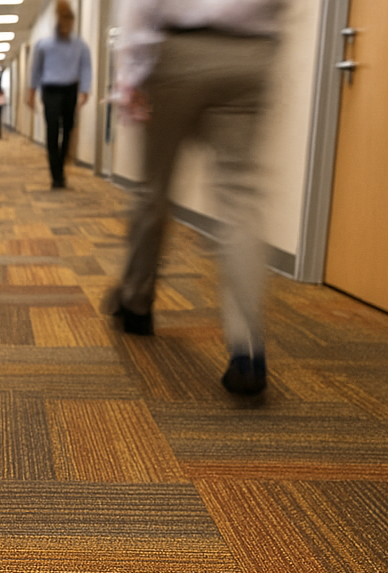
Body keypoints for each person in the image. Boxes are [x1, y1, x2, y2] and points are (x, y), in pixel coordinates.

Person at [107, 0, 287, 395]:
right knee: (240, 199)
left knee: (154, 188)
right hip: (253, 52)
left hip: (178, 52)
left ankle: (136, 302)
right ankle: (247, 347)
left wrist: (129, 75)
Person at [27, 1, 91, 188]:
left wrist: (85, 89)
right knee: (53, 130)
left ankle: (61, 167)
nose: (66, 27)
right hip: (50, 90)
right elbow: (36, 70)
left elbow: (85, 67)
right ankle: (56, 175)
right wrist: (31, 92)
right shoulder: (44, 45)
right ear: (57, 22)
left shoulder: (80, 46)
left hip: (70, 90)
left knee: (68, 129)